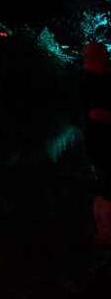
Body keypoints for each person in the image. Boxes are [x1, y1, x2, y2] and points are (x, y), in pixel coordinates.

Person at [82, 41, 111, 246]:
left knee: (104, 185)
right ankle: (105, 233)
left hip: (96, 141)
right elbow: (97, 114)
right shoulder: (94, 82)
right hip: (102, 141)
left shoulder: (92, 80)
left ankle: (103, 232)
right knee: (107, 186)